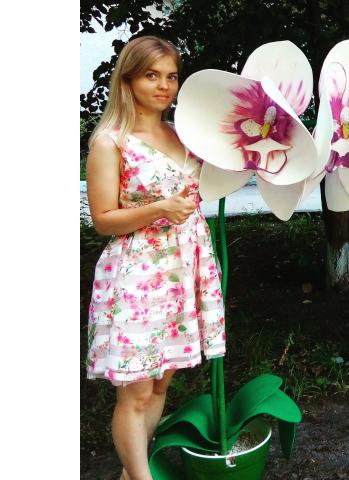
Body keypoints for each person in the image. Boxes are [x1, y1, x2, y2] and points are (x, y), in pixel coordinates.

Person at [85, 36, 226, 480]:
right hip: (139, 273)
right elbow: (103, 220)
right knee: (137, 392)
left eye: (171, 76)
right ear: (128, 80)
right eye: (151, 75)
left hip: (184, 268)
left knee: (161, 383)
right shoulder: (111, 142)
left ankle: (133, 472)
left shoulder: (185, 134)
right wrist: (159, 209)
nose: (164, 86)